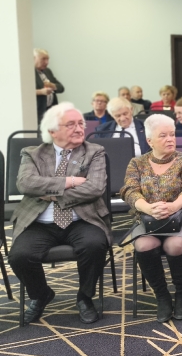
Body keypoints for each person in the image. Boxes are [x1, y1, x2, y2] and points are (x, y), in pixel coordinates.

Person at [8, 103, 112, 325]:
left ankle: (84, 297)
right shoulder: (32, 153)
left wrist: (51, 194)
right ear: (52, 131)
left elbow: (94, 188)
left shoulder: (94, 152)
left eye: (81, 123)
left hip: (82, 219)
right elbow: (26, 184)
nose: (79, 128)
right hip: (39, 222)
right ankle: (41, 294)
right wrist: (70, 181)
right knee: (19, 256)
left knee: (94, 245)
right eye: (71, 124)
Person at [121, 114, 182, 323]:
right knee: (144, 245)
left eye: (172, 134)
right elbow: (129, 191)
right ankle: (162, 296)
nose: (170, 139)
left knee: (175, 245)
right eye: (163, 136)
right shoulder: (137, 163)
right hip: (148, 218)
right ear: (150, 141)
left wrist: (174, 206)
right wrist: (148, 208)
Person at [34, 48, 65, 123]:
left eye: (47, 59)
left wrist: (52, 85)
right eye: (43, 59)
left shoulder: (47, 71)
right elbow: (23, 92)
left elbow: (61, 88)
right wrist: (41, 92)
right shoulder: (27, 72)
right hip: (37, 113)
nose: (47, 62)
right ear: (33, 59)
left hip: (51, 112)